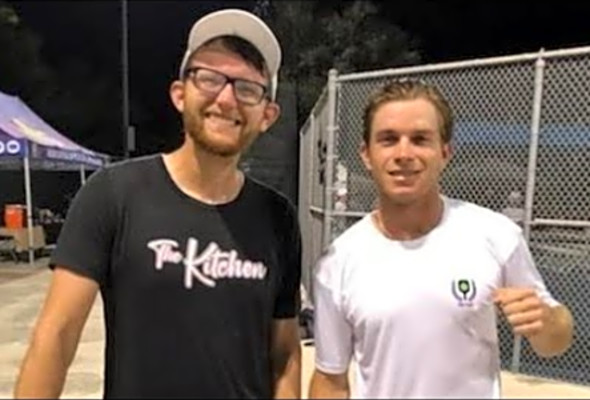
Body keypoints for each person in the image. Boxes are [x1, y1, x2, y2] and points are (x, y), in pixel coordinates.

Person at [15, 8, 302, 399]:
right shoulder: (113, 194)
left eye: (248, 88)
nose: (227, 98)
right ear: (180, 94)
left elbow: (284, 353)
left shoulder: (278, 217)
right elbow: (56, 336)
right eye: (210, 78)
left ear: (267, 115)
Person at [308, 79, 574, 399]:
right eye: (388, 139)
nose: (404, 153)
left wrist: (545, 322)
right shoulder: (338, 262)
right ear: (366, 154)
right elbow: (331, 379)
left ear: (445, 152)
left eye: (420, 139)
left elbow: (555, 340)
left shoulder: (497, 236)